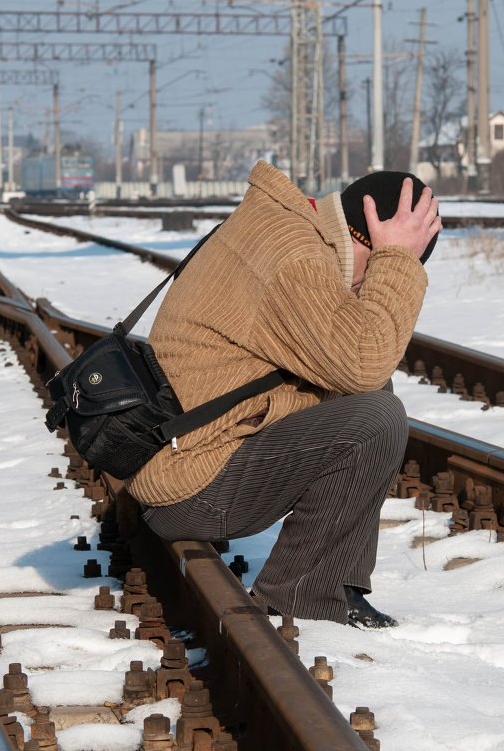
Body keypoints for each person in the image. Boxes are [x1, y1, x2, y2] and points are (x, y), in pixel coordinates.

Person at [127, 161, 440, 627]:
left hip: (184, 455)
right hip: (187, 490)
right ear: (368, 237)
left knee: (370, 395)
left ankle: (337, 585)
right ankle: (303, 596)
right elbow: (364, 359)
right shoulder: (295, 257)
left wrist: (387, 262)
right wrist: (399, 262)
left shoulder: (287, 230)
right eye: (376, 269)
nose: (364, 286)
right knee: (376, 414)